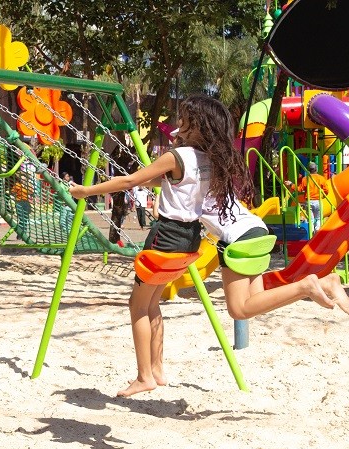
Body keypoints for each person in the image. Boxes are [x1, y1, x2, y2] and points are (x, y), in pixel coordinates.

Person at [69, 94, 249, 398]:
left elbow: (129, 182)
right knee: (151, 303)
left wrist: (87, 190)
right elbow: (163, 183)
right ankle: (158, 369)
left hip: (166, 236)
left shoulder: (176, 157)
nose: (177, 123)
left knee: (137, 305)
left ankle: (144, 376)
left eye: (183, 118)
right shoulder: (207, 160)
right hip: (191, 238)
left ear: (196, 124)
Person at [201, 196, 349, 320]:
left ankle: (305, 286)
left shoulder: (189, 178)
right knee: (257, 302)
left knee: (239, 310)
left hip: (237, 234)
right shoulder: (212, 172)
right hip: (256, 227)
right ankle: (324, 283)